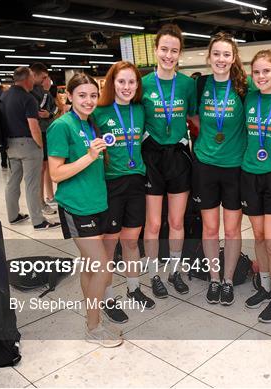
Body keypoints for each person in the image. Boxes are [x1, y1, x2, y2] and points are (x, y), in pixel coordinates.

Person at [47, 73, 122, 347]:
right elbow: (55, 173)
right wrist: (89, 156)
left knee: (91, 268)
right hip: (77, 207)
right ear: (68, 95)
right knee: (103, 269)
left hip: (98, 203)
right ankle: (94, 327)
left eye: (93, 95)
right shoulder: (61, 126)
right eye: (82, 95)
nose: (89, 100)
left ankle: (92, 316)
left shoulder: (91, 124)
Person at [93, 61, 153, 324]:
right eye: (121, 81)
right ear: (111, 83)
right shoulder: (99, 112)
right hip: (111, 184)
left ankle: (133, 287)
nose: (127, 87)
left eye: (131, 82)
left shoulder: (140, 110)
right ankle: (106, 295)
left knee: (131, 241)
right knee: (109, 244)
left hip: (136, 181)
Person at [141, 24, 197, 298]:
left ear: (179, 54)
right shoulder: (143, 84)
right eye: (164, 49)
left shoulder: (187, 84)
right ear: (156, 50)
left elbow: (198, 120)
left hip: (178, 156)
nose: (168, 55)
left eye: (174, 51)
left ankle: (175, 271)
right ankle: (153, 274)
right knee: (153, 224)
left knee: (177, 221)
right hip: (151, 155)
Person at [192, 32, 248, 305]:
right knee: (210, 228)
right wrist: (204, 134)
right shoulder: (201, 84)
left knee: (233, 229)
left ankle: (228, 279)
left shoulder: (243, 87)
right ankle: (214, 279)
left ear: (234, 57)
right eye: (217, 54)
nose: (221, 59)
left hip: (235, 166)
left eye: (227, 54)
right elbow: (191, 114)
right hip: (205, 164)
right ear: (209, 56)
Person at [241, 49, 271, 322]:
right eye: (256, 72)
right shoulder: (249, 96)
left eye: (266, 71)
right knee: (259, 237)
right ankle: (265, 284)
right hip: (250, 174)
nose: (261, 76)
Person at [0, 66, 60, 230]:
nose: (35, 80)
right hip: (28, 144)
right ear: (27, 79)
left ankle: (13, 216)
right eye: (32, 77)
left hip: (10, 145)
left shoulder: (4, 96)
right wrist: (39, 146)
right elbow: (34, 126)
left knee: (12, 182)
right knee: (32, 184)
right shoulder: (28, 99)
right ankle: (38, 221)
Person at [29, 63, 57, 215]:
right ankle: (39, 203)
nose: (47, 81)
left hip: (46, 132)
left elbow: (55, 108)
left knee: (45, 166)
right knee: (38, 170)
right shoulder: (29, 92)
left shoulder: (45, 93)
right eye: (45, 77)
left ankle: (48, 197)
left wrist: (50, 114)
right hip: (35, 134)